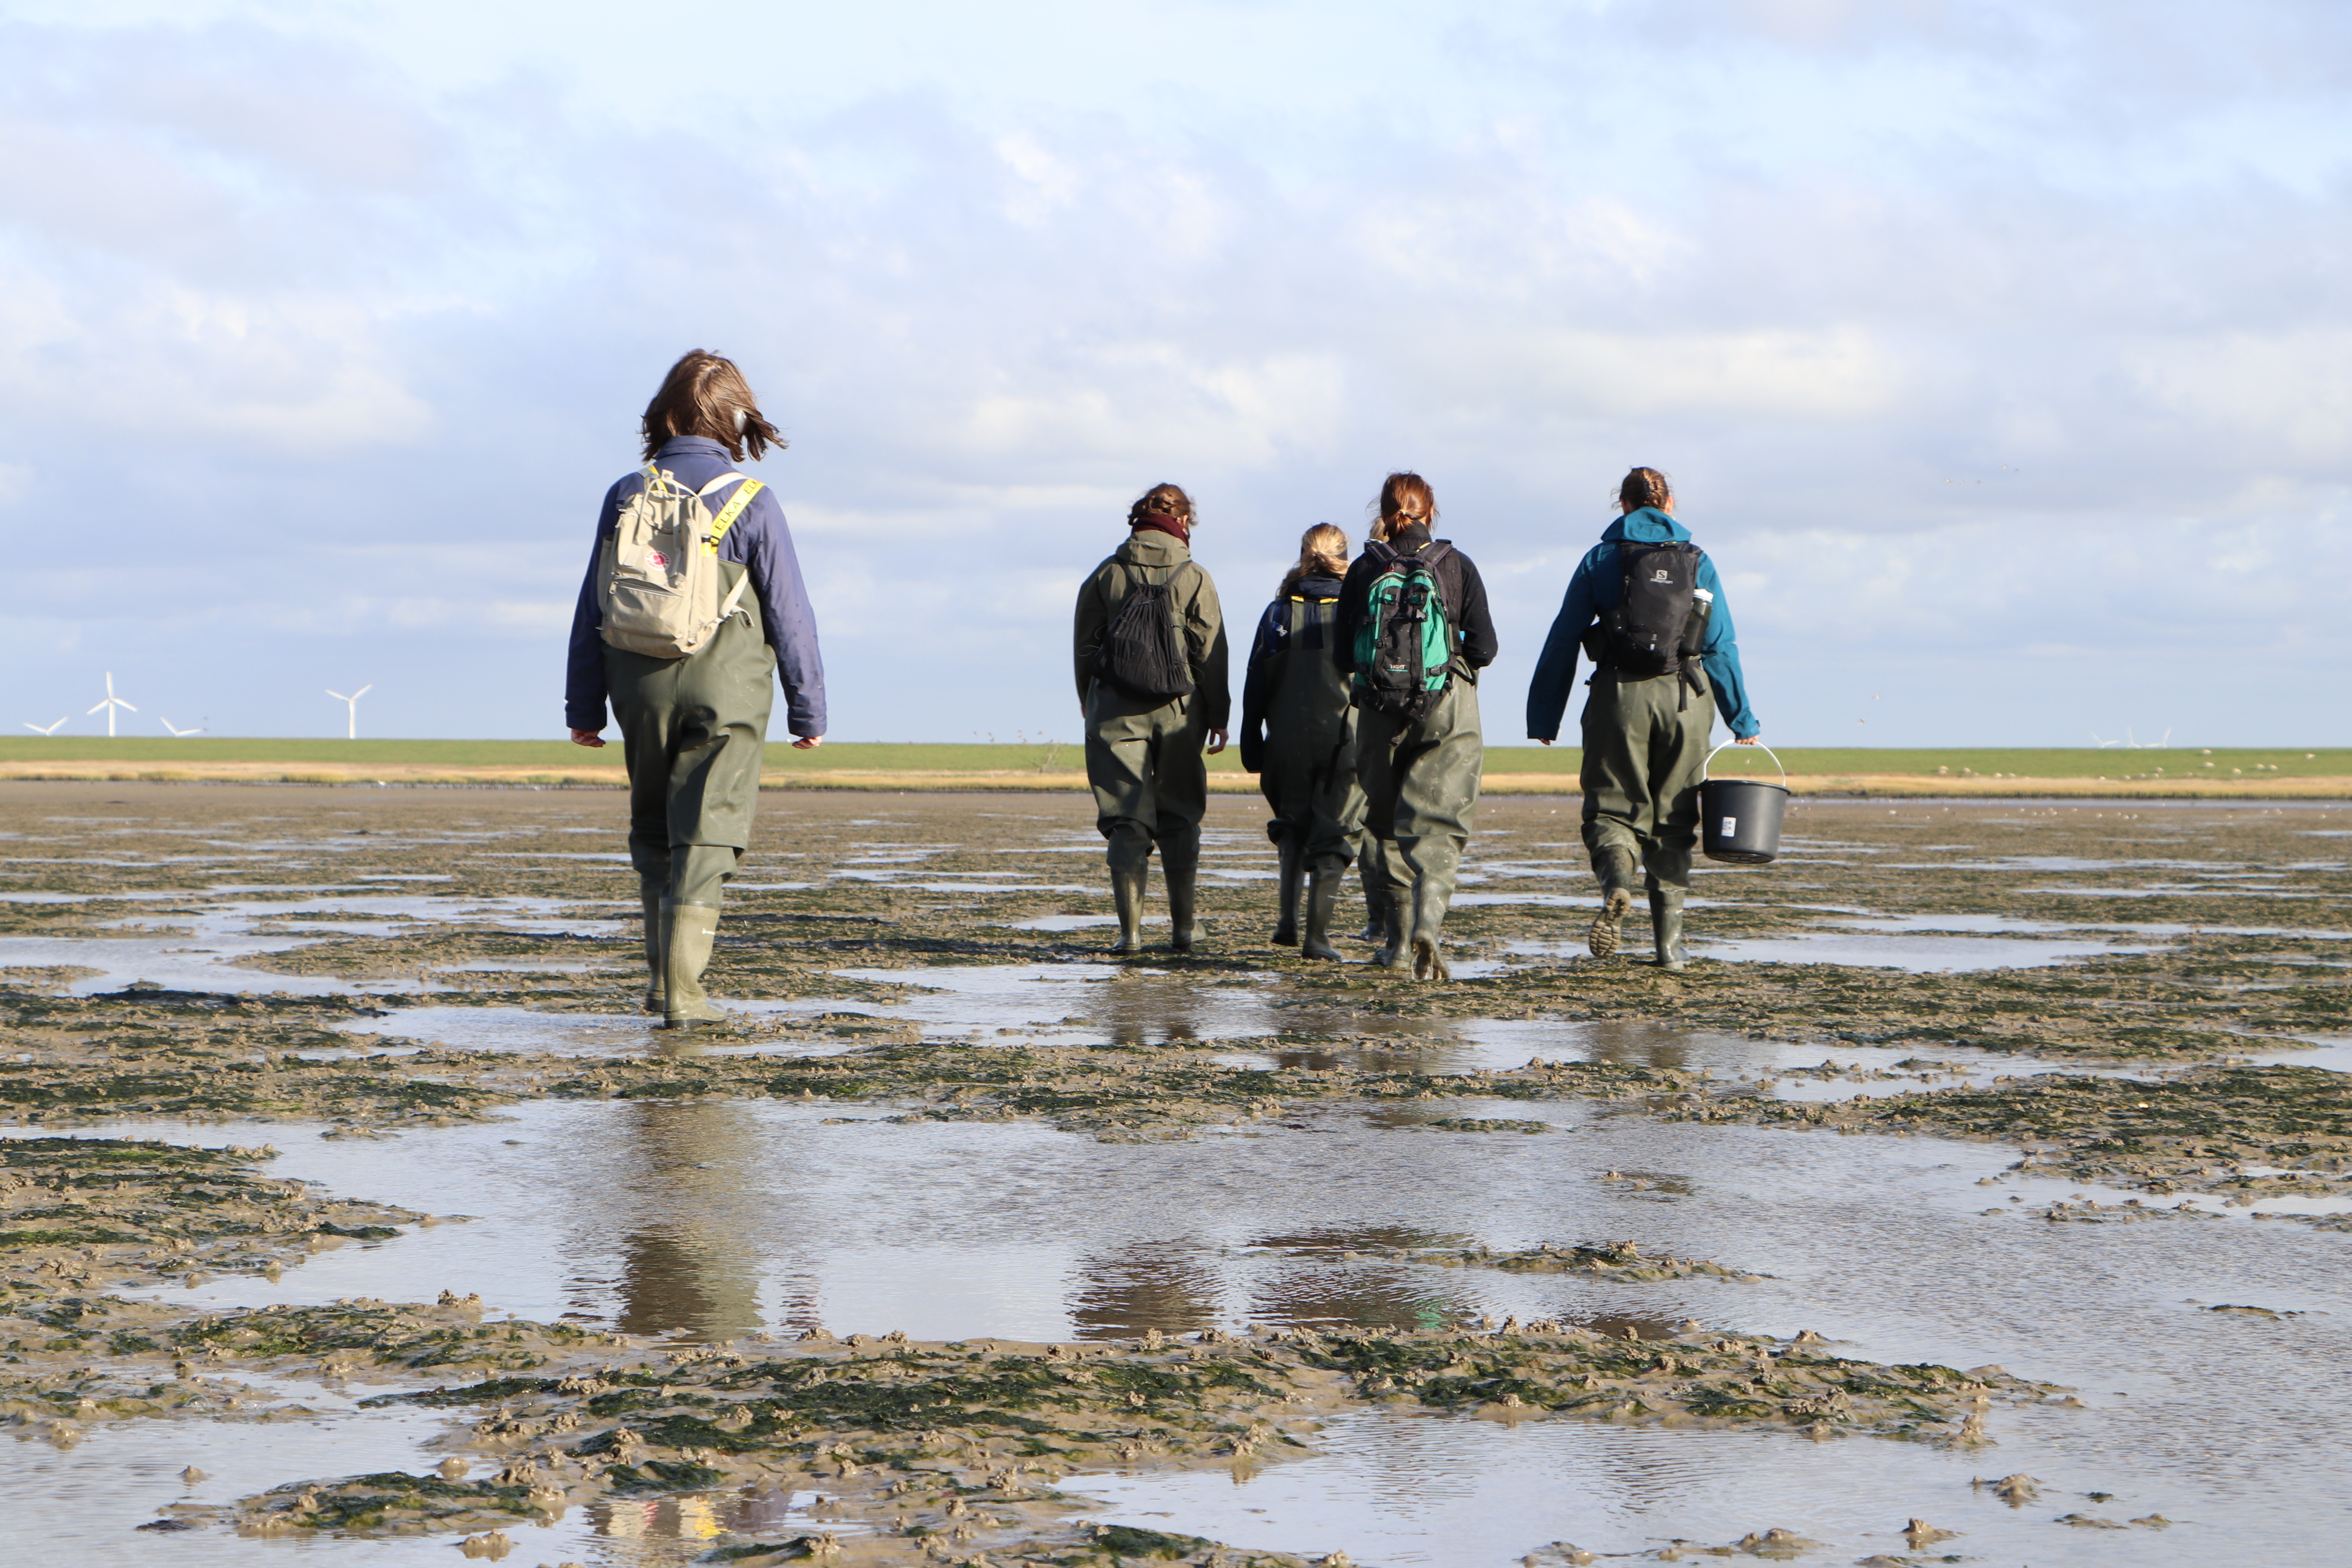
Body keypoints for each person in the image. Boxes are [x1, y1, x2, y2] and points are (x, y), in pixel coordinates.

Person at [564, 349, 826, 1027]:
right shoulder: (752, 501)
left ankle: (659, 986)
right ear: (732, 418)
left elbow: (591, 605)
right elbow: (790, 611)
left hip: (635, 683)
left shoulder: (628, 493)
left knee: (653, 829)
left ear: (668, 413)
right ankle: (686, 996)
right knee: (706, 834)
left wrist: (583, 704)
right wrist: (808, 709)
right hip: (727, 688)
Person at [1525, 466, 1760, 970]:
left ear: (1624, 507)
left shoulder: (1601, 558)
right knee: (1674, 819)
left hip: (1618, 697)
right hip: (1687, 701)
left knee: (1612, 810)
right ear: (1669, 504)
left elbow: (1564, 637)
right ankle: (1670, 949)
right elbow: (1721, 645)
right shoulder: (1699, 560)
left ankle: (1616, 886)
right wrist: (1742, 717)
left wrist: (1545, 714)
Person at [1334, 472, 1497, 980]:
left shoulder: (1364, 569)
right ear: (1432, 512)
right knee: (1440, 826)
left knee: (1383, 826)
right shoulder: (1456, 565)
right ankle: (1431, 924)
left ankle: (1398, 946)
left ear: (1383, 512)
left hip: (1379, 709)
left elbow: (1342, 655)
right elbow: (1486, 648)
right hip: (1448, 705)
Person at [1072, 484, 1230, 954]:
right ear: (1184, 523)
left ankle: (1131, 934)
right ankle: (1183, 929)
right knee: (1180, 815)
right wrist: (1219, 714)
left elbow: (1085, 646)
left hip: (1114, 710)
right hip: (1182, 710)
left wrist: (1089, 699)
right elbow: (1212, 652)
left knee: (1126, 819)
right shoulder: (1195, 575)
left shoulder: (1106, 573)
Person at [1239, 524, 1365, 960]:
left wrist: (1250, 740)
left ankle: (1287, 921)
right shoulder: (1357, 611)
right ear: (1345, 558)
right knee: (1335, 835)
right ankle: (1317, 937)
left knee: (1291, 828)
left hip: (1284, 741)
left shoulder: (1276, 613)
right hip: (1343, 742)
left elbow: (1255, 682)